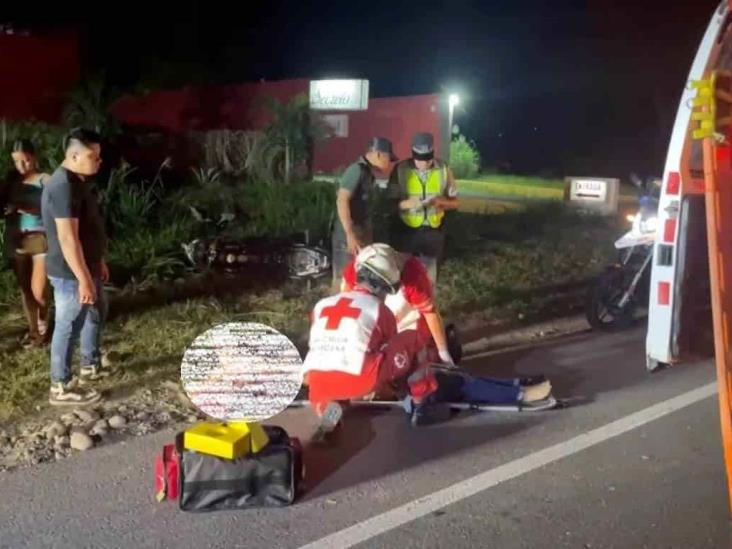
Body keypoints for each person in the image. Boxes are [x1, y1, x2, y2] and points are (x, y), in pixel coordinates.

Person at [305, 244, 552, 435]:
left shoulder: (323, 305)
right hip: (367, 379)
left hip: (317, 381)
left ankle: (328, 414)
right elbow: (396, 353)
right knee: (447, 373)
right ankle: (426, 404)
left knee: (332, 391)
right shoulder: (379, 311)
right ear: (383, 286)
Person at [41, 128, 112, 406]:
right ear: (73, 155)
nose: (98, 161)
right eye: (92, 156)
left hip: (87, 265)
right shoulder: (62, 186)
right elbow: (68, 238)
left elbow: (86, 231)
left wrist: (97, 261)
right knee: (68, 325)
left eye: (99, 156)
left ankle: (90, 366)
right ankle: (61, 386)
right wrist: (83, 278)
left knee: (95, 312)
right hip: (70, 272)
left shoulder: (78, 181)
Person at [388, 132, 459, 283]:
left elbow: (456, 202)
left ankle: (427, 305)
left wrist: (443, 203)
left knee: (429, 280)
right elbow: (389, 204)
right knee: (404, 280)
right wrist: (407, 204)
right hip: (406, 232)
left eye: (427, 160)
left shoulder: (444, 169)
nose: (423, 164)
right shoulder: (400, 170)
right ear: (413, 154)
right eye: (419, 160)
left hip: (433, 233)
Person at [2, 139, 51, 347]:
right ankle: (33, 332)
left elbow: (55, 206)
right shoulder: (11, 182)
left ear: (34, 157)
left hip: (39, 236)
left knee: (39, 290)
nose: (22, 166)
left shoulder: (45, 179)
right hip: (17, 237)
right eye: (17, 162)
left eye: (26, 160)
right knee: (25, 290)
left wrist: (25, 207)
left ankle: (43, 322)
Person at [331, 137, 397, 285]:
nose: (389, 164)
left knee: (358, 279)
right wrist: (349, 234)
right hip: (349, 238)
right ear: (379, 154)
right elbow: (342, 199)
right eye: (389, 158)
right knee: (344, 280)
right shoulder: (357, 170)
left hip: (359, 235)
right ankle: (336, 308)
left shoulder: (368, 173)